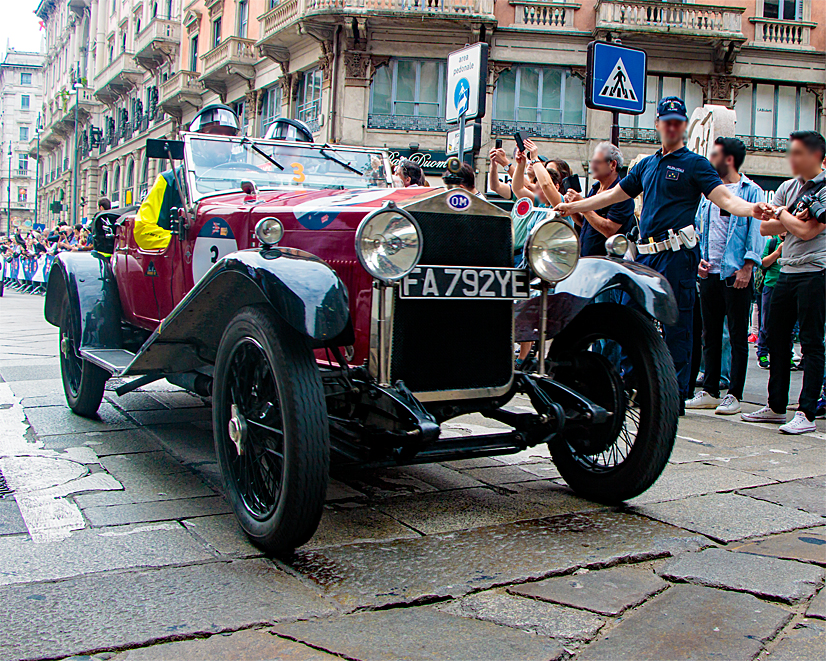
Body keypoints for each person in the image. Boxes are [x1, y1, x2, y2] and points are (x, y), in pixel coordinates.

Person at [555, 96, 774, 411]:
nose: (671, 126)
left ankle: (673, 399)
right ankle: (634, 388)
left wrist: (753, 208)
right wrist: (573, 205)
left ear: (683, 126)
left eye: (677, 122)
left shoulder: (695, 164)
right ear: (657, 124)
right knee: (632, 321)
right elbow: (613, 195)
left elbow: (726, 199)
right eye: (666, 121)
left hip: (677, 256)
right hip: (645, 257)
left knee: (677, 327)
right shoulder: (646, 165)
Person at [742, 130, 826, 434]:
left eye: (797, 153)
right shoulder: (787, 187)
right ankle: (776, 407)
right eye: (789, 152)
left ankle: (806, 413)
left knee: (812, 343)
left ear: (816, 155)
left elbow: (808, 232)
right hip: (787, 272)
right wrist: (790, 216)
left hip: (816, 271)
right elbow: (765, 228)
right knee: (776, 339)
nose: (790, 158)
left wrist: (782, 215)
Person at [686, 137, 765, 415]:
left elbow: (756, 230)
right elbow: (696, 227)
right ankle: (709, 390)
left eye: (715, 155)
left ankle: (734, 393)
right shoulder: (710, 193)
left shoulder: (751, 191)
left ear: (728, 159)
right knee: (710, 332)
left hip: (735, 273)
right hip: (710, 272)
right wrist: (699, 260)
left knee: (736, 335)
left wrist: (748, 266)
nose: (710, 160)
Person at [135, 103, 240, 251]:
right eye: (214, 132)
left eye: (229, 134)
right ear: (198, 138)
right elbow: (144, 230)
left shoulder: (243, 179)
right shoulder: (170, 179)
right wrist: (187, 242)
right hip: (184, 264)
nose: (223, 139)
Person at [566, 142, 636, 256]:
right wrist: (572, 208)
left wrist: (582, 205)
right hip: (586, 260)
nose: (592, 166)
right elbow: (585, 223)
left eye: (597, 162)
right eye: (592, 162)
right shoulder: (595, 189)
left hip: (606, 264)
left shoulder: (622, 195)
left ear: (613, 165)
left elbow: (609, 230)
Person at [756, 233, 785, 369]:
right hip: (771, 284)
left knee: (787, 325)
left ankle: (787, 355)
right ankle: (762, 352)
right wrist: (778, 252)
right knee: (766, 321)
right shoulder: (772, 242)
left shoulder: (795, 240)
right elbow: (763, 263)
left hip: (788, 284)